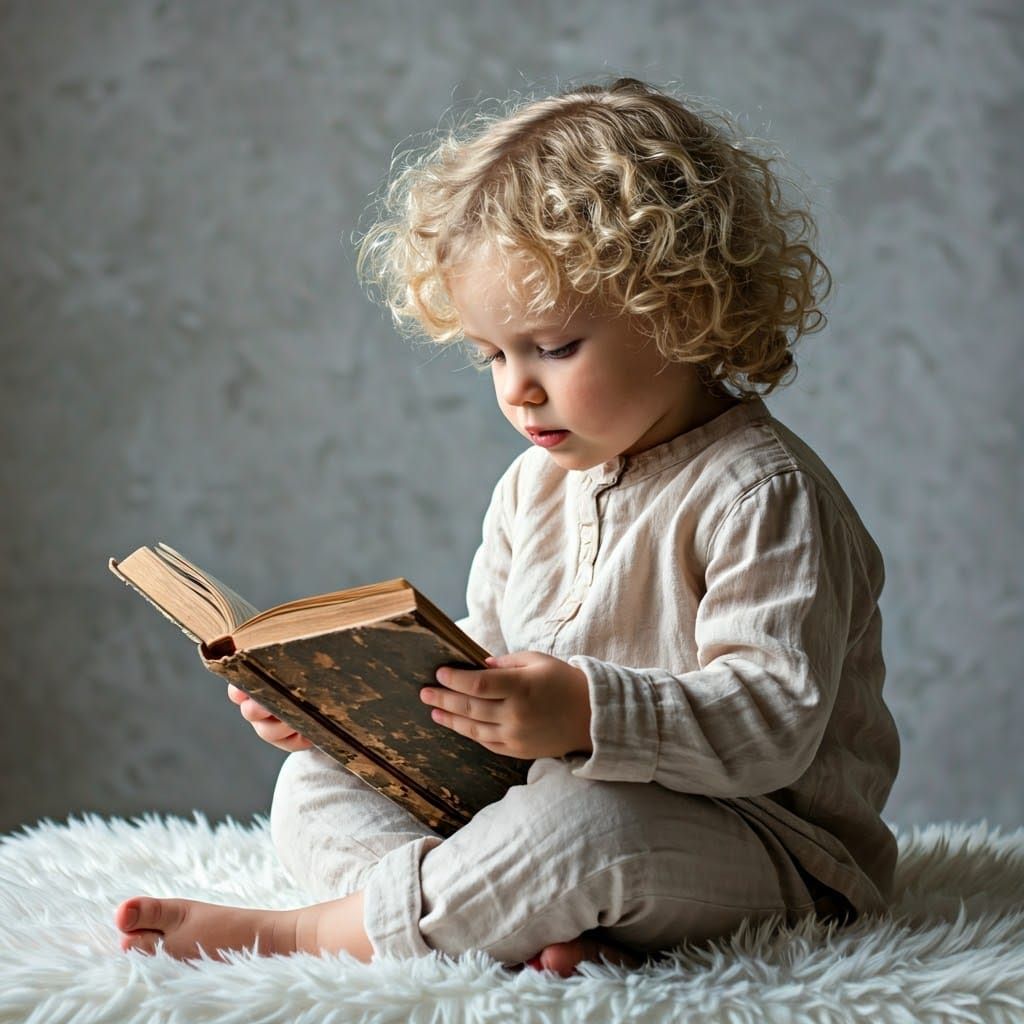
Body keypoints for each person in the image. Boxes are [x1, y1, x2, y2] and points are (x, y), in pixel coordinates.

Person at [115, 77, 900, 977]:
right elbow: (482, 670)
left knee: (586, 822)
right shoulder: (532, 486)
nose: (516, 389)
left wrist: (586, 711)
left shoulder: (760, 492)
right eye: (492, 355)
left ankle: (315, 934)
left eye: (554, 347)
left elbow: (775, 724)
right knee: (316, 785)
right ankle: (509, 919)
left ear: (681, 307)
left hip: (769, 850)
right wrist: (341, 711)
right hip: (545, 810)